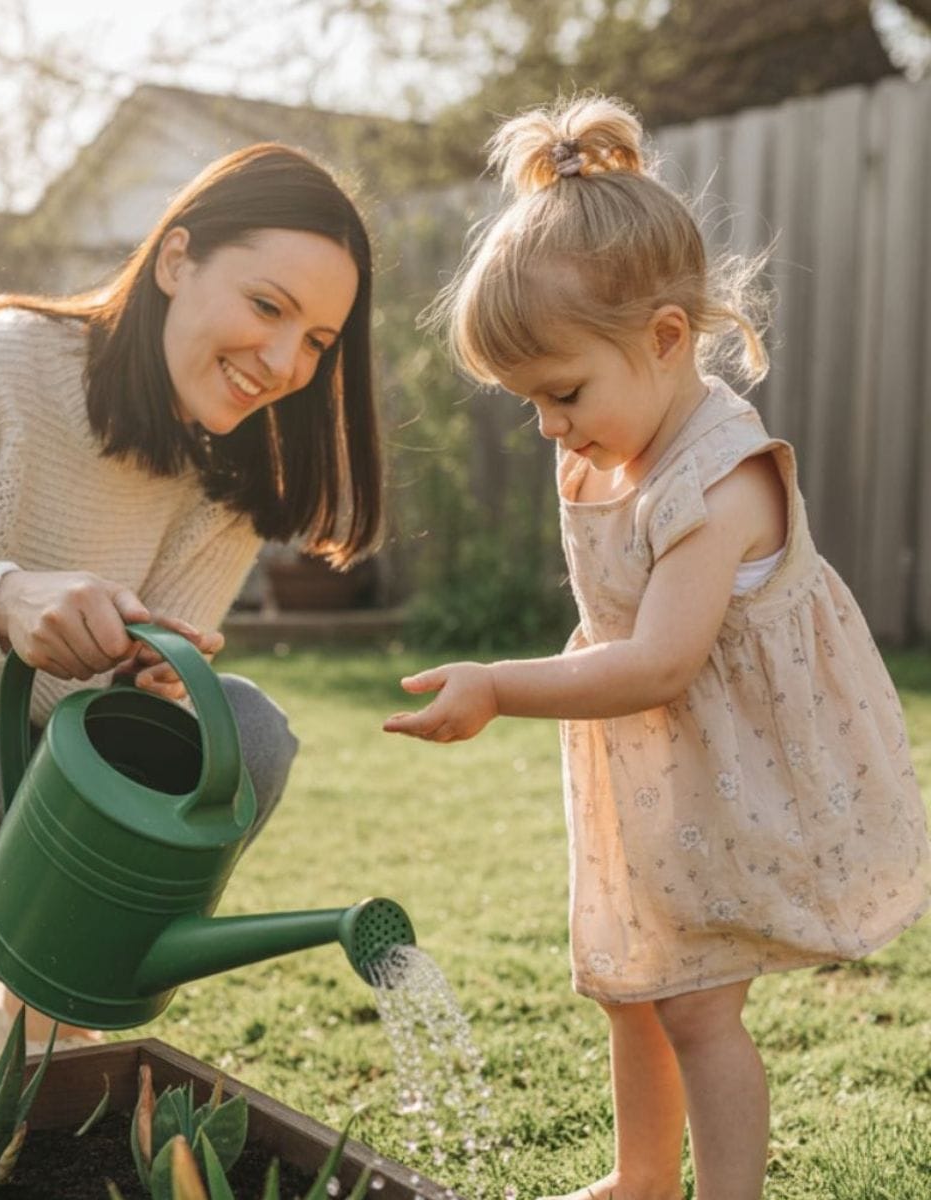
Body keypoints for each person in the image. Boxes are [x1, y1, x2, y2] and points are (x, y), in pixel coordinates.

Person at [384, 95, 929, 1200]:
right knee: (635, 984)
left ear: (667, 338)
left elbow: (663, 661)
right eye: (530, 402)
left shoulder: (719, 482)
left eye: (563, 393)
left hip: (741, 768)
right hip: (654, 766)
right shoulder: (610, 444)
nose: (550, 426)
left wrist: (498, 685)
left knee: (698, 1006)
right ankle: (641, 1180)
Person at [0, 142, 381, 1081]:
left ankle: (36, 1013)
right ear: (176, 260)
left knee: (245, 729)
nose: (286, 362)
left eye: (318, 342)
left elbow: (118, 729)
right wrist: (3, 600)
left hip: (44, 829)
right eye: (267, 307)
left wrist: (151, 684)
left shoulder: (234, 473)